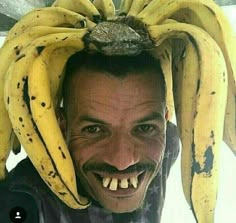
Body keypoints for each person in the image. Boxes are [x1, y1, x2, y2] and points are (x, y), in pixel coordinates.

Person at [0, 51, 179, 223]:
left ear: (164, 122)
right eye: (94, 130)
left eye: (144, 127)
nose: (122, 161)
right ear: (61, 127)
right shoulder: (23, 200)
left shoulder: (169, 143)